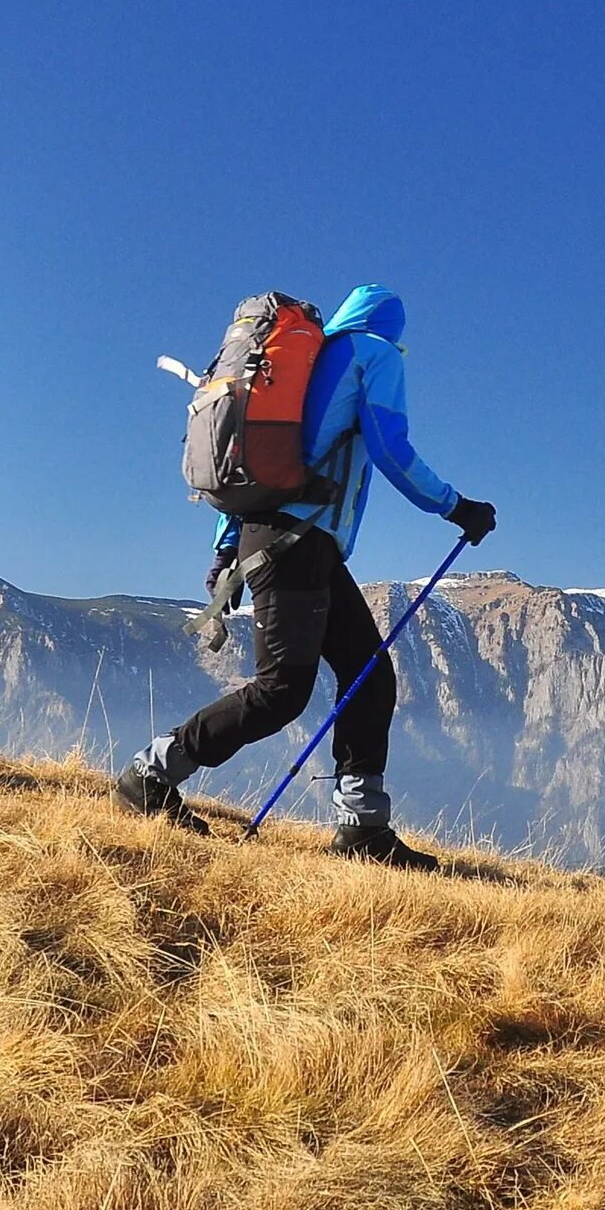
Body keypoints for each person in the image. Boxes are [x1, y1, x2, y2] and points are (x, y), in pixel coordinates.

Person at [116, 284, 497, 865]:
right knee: (281, 691)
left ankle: (362, 829)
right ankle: (149, 775)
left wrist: (226, 550)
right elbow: (390, 446)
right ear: (393, 329)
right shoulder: (374, 355)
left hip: (285, 540)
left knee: (369, 675)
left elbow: (261, 467)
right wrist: (455, 506)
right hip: (296, 544)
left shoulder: (310, 363)